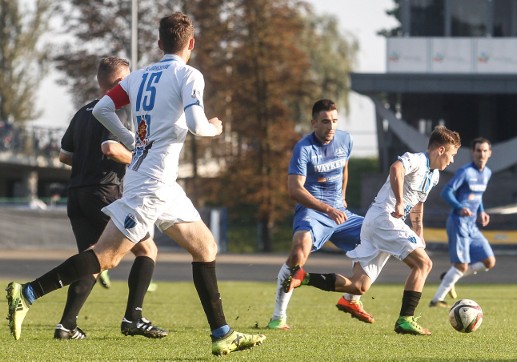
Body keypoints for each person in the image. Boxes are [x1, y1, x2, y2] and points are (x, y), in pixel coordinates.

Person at [6, 12, 265, 356]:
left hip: (159, 181)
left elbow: (101, 109)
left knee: (205, 247)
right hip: (152, 184)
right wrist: (216, 127)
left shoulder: (139, 76)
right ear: (191, 43)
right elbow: (196, 124)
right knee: (106, 258)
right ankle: (27, 294)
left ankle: (222, 333)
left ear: (159, 44)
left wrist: (132, 138)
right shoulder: (188, 75)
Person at [283, 125, 461, 336]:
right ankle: (406, 319)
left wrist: (418, 231)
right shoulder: (416, 159)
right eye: (452, 154)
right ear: (440, 150)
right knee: (424, 264)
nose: (452, 160)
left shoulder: (434, 175)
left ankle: (304, 277)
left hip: (378, 223)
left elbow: (418, 204)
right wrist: (399, 201)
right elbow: (396, 169)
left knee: (358, 286)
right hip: (384, 218)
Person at [56, 57, 166, 340]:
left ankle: (66, 326)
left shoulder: (82, 112)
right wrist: (142, 160)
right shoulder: (117, 109)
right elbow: (110, 148)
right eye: (128, 80)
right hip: (104, 192)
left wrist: (87, 164)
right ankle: (134, 318)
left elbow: (64, 155)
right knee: (147, 250)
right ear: (119, 83)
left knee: (92, 260)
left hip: (77, 194)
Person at [267, 99, 374, 330]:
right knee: (298, 250)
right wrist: (327, 209)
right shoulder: (303, 148)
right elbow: (295, 190)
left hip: (340, 212)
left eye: (334, 121)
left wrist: (342, 197)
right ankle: (278, 316)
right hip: (314, 212)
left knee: (376, 235)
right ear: (314, 122)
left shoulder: (345, 139)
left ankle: (352, 299)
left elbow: (344, 168)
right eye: (325, 121)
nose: (331, 126)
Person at [429, 137, 496, 308]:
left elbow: (477, 196)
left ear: (490, 153)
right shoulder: (465, 172)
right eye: (478, 150)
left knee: (489, 261)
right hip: (458, 222)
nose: (481, 154)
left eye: (484, 150)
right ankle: (437, 300)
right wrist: (459, 207)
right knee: (460, 265)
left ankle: (449, 276)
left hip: (472, 225)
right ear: (472, 153)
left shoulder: (487, 173)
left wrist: (481, 211)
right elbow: (446, 192)